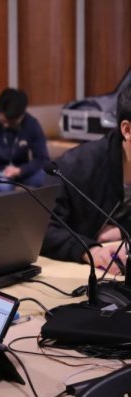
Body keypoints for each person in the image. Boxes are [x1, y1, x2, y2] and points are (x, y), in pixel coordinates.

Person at [42, 84, 131, 274]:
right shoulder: (73, 167)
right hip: (78, 270)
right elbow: (42, 229)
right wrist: (90, 251)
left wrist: (122, 230)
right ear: (127, 130)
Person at [0, 88, 49, 193]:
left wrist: (20, 170)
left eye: (11, 122)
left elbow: (42, 158)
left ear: (22, 116)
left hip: (20, 171)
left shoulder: (31, 124)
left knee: (45, 177)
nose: (6, 125)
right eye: (3, 121)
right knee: (3, 187)